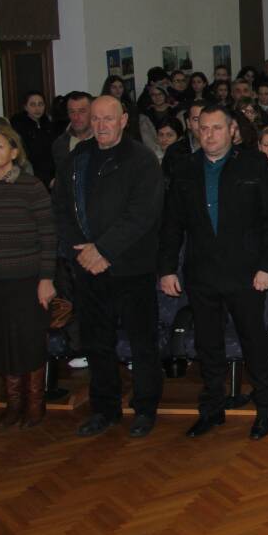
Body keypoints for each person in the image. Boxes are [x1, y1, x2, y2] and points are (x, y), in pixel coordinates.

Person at [158, 105, 268, 441]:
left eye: (216, 128)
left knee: (253, 342)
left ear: (232, 130)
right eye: (203, 128)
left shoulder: (254, 164)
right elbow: (172, 224)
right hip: (202, 273)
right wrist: (167, 269)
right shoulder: (185, 168)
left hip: (247, 273)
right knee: (208, 345)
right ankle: (212, 410)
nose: (209, 134)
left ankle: (265, 409)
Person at [53, 96, 165, 438]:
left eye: (108, 118)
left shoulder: (142, 160)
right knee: (96, 343)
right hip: (88, 269)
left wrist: (103, 250)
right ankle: (105, 409)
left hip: (132, 267)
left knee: (142, 344)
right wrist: (82, 252)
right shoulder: (77, 159)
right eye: (96, 118)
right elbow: (63, 209)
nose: (101, 125)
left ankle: (145, 409)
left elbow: (142, 214)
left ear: (123, 120)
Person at [0, 124, 56, 428]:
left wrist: (47, 278)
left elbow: (48, 235)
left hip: (26, 280)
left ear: (14, 151)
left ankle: (35, 403)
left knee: (28, 341)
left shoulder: (32, 187)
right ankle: (13, 403)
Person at [10, 91, 57, 187]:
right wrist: (46, 179)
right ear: (25, 107)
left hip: (53, 175)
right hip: (32, 176)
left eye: (40, 104)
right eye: (33, 105)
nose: (37, 108)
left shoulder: (49, 125)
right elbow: (25, 157)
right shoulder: (19, 128)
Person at [52, 91, 94, 184]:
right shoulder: (59, 144)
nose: (76, 117)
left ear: (92, 112)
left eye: (82, 111)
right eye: (72, 111)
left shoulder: (104, 140)